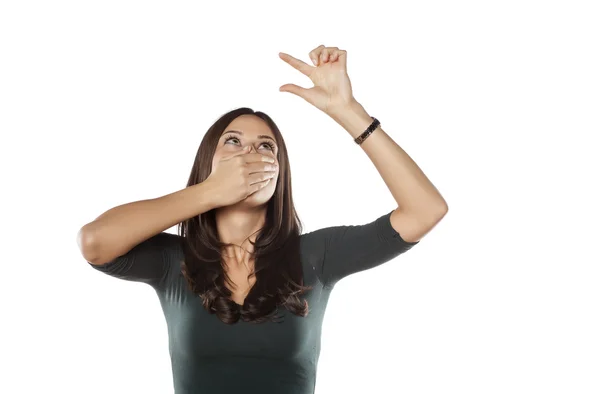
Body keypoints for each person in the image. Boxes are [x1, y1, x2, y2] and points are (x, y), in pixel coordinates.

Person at [77, 45, 448, 394]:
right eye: (233, 142)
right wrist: (210, 192)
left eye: (265, 146)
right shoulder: (173, 260)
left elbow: (424, 211)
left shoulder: (317, 254)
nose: (249, 153)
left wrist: (348, 111)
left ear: (279, 174)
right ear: (209, 162)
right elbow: (95, 242)